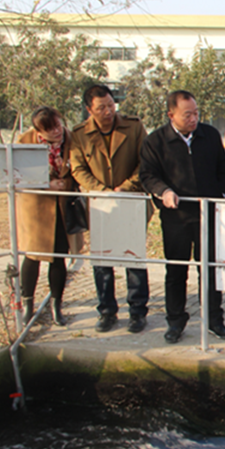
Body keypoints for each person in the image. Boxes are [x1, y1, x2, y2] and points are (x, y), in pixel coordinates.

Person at [139, 90, 225, 344]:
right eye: (187, 115)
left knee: (209, 269)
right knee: (176, 271)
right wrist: (163, 191)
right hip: (176, 217)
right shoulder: (156, 141)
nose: (194, 119)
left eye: (196, 113)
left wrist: (220, 193)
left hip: (207, 214)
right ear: (171, 115)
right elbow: (147, 175)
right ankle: (176, 321)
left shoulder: (209, 135)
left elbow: (223, 168)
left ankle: (213, 319)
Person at [70, 84, 149, 334]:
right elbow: (78, 168)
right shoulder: (79, 134)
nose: (107, 111)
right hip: (100, 205)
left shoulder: (133, 127)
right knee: (102, 260)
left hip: (130, 201)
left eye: (110, 105)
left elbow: (145, 161)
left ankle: (137, 311)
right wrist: (102, 191)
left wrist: (125, 187)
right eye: (101, 108)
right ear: (89, 109)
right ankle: (107, 311)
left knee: (133, 258)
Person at [17, 106, 82, 327]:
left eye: (57, 125)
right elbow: (18, 173)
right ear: (39, 132)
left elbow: (80, 166)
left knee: (58, 255)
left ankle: (56, 305)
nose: (56, 131)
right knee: (33, 255)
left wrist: (66, 183)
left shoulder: (71, 138)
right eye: (50, 129)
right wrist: (45, 184)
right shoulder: (25, 141)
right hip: (36, 207)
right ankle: (28, 305)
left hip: (63, 205)